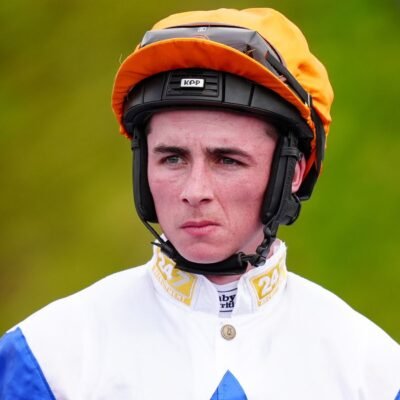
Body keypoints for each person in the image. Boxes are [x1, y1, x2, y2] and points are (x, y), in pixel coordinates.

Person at [0, 7, 399, 400]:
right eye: (172, 158)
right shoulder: (46, 359)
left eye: (227, 160)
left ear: (292, 173)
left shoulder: (375, 373)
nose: (194, 190)